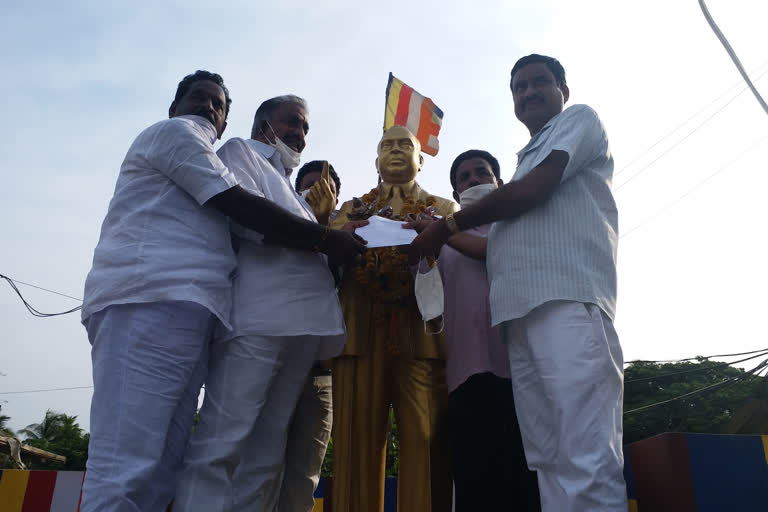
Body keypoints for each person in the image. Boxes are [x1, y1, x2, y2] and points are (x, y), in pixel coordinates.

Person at [82, 74, 364, 512]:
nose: (210, 110)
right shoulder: (193, 138)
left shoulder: (285, 184)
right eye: (200, 99)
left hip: (199, 310)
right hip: (151, 298)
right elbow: (241, 209)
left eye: (218, 106)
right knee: (135, 461)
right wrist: (327, 238)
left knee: (178, 464)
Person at [411, 54, 627, 511]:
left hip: (566, 304)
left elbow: (533, 191)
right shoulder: (525, 159)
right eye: (518, 88)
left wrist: (449, 227)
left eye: (538, 83)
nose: (527, 93)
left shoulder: (577, 121)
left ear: (563, 89)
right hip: (519, 323)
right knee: (547, 461)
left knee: (584, 453)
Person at [173, 95, 366, 511]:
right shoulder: (241, 153)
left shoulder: (290, 186)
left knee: (266, 454)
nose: (299, 134)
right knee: (222, 442)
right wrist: (326, 237)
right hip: (257, 320)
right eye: (291, 123)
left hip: (304, 327)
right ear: (263, 123)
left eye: (305, 128)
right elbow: (247, 217)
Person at [330, 125, 456, 512]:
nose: (397, 151)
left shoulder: (444, 210)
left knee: (426, 439)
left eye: (406, 146)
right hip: (360, 333)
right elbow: (326, 261)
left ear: (421, 160)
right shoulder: (348, 211)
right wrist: (327, 225)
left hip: (421, 332)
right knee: (356, 440)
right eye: (388, 145)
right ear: (376, 161)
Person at [406, 149, 540, 511]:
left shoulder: (517, 223)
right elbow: (425, 296)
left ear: (500, 182)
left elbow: (492, 252)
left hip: (521, 371)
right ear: (455, 195)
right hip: (465, 376)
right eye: (463, 178)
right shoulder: (443, 244)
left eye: (481, 172)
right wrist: (419, 243)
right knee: (475, 481)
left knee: (527, 479)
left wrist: (441, 231)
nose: (473, 180)